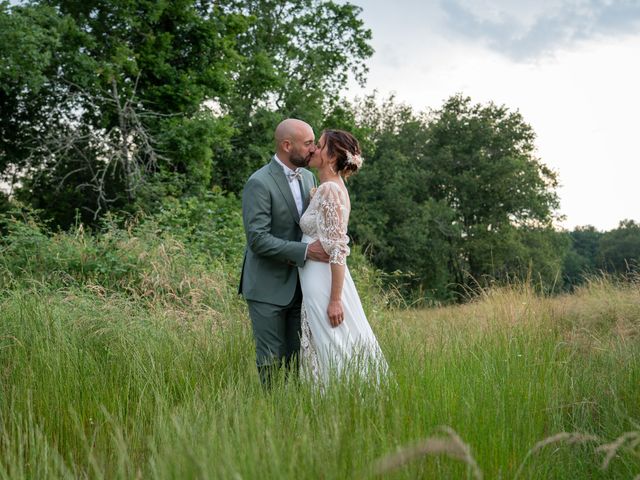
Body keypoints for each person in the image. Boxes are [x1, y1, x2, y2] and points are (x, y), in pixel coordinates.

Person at [239, 119, 330, 387]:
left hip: (301, 285)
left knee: (297, 358)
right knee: (270, 359)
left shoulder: (309, 177)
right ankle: (271, 414)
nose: (314, 149)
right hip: (266, 286)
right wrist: (306, 251)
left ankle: (291, 415)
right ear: (286, 145)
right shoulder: (259, 182)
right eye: (308, 143)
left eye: (314, 142)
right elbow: (257, 239)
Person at [298, 129, 387, 383]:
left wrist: (335, 299)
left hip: (324, 283)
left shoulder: (330, 191)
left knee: (333, 344)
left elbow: (337, 249)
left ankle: (341, 395)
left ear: (332, 155)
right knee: (326, 343)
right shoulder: (329, 187)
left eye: (320, 145)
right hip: (317, 279)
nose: (313, 148)